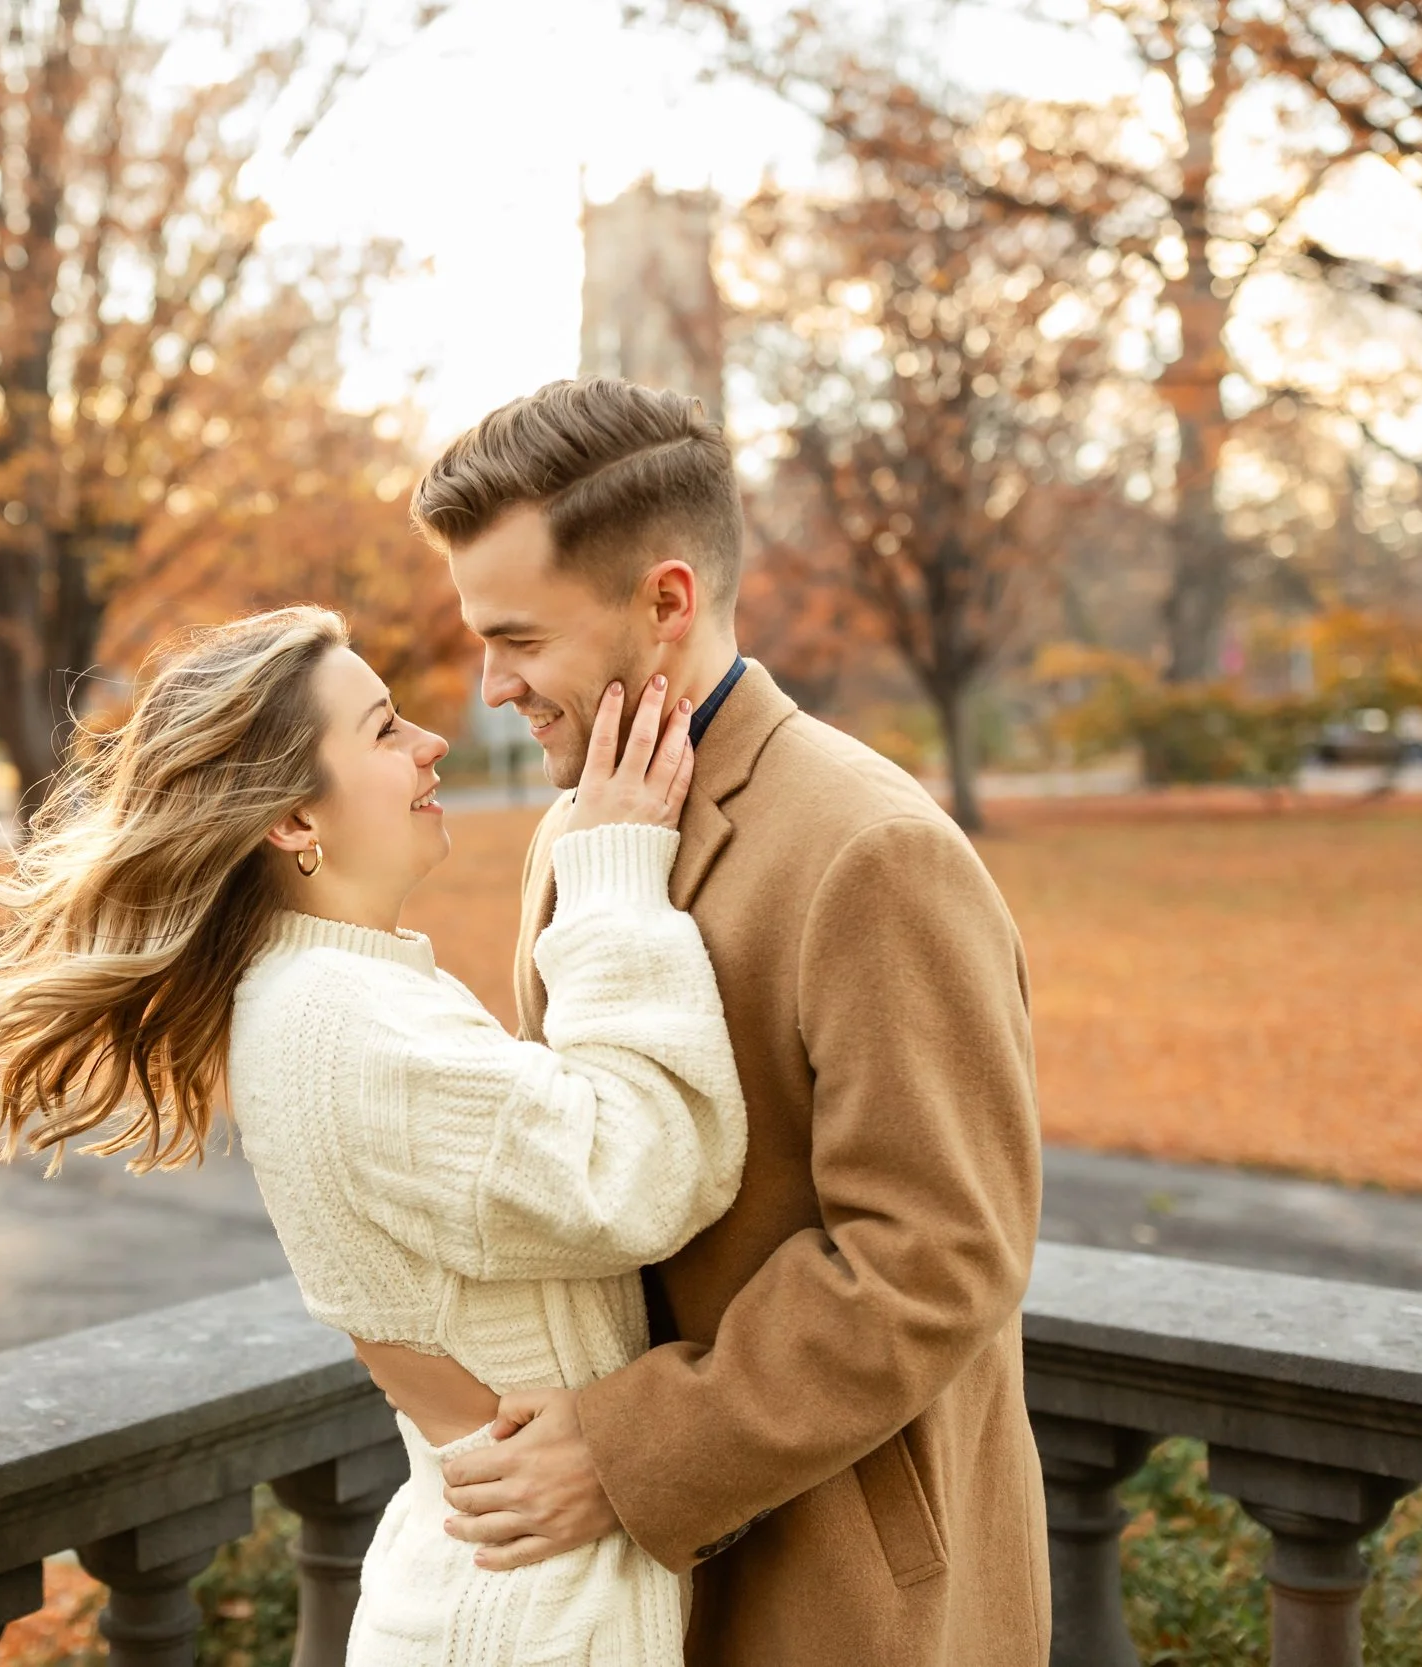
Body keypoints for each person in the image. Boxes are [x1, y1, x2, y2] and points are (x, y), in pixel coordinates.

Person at [0, 605, 747, 1665]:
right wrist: (616, 873)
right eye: (386, 730)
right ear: (295, 821)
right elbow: (647, 1168)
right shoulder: (345, 1022)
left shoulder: (333, 992)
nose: (432, 744)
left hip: (509, 1576)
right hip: (530, 1615)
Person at [369, 378, 1049, 1664]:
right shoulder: (574, 836)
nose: (492, 685)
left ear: (664, 603)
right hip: (625, 1595)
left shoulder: (873, 848)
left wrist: (629, 1447)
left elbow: (935, 1254)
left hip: (845, 1590)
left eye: (517, 637)